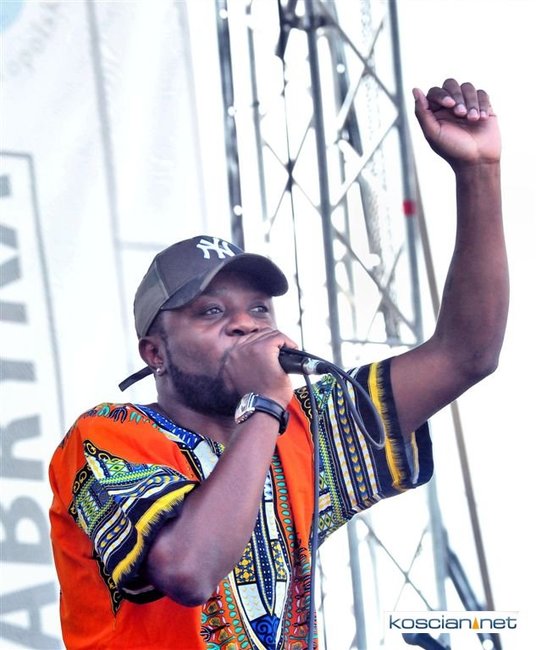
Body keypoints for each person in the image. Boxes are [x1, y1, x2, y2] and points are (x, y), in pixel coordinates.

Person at [48, 78, 508, 650]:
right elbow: (188, 569)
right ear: (155, 353)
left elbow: (466, 353)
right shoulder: (106, 437)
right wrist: (263, 402)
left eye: (259, 309)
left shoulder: (304, 427)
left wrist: (478, 172)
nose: (246, 324)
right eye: (211, 311)